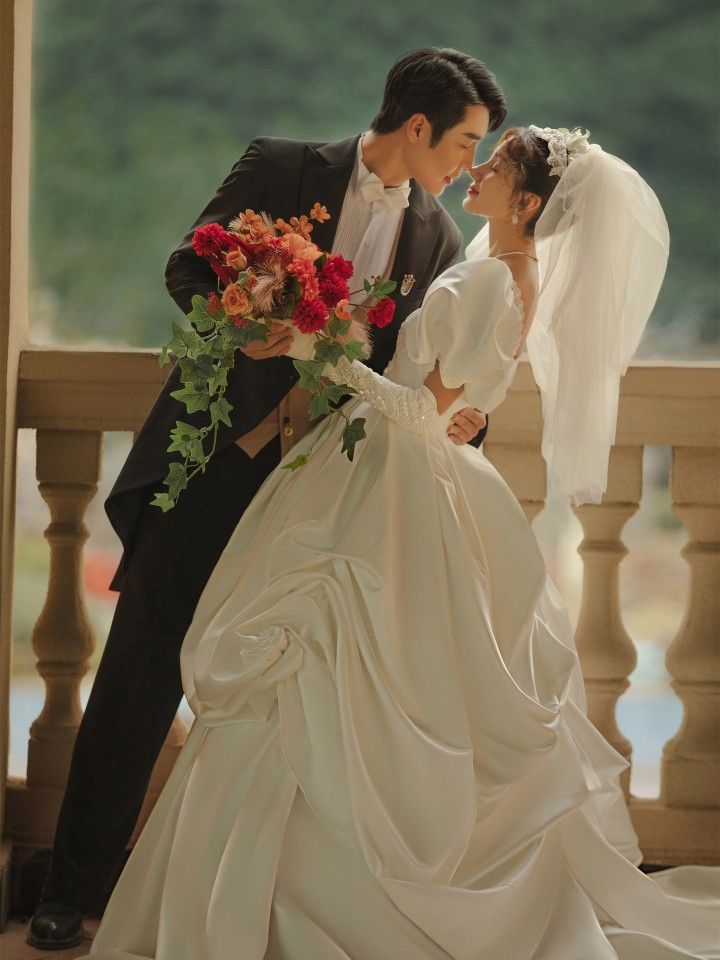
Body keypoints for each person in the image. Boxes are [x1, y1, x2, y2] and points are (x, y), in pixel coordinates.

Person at [76, 127, 719, 959]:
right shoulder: (512, 274)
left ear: (526, 202)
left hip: (394, 482)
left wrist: (318, 349)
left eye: (497, 165)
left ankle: (288, 907)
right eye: (474, 151)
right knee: (349, 679)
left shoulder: (492, 276)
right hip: (406, 476)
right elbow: (455, 402)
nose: (477, 169)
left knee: (326, 672)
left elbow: (422, 409)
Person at [27, 48, 506, 950]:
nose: (469, 163)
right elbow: (187, 268)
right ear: (417, 126)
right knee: (139, 670)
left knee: (278, 704)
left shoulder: (437, 238)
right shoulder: (281, 165)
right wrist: (241, 321)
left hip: (314, 490)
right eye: (466, 141)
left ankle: (238, 905)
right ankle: (70, 889)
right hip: (211, 461)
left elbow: (419, 375)